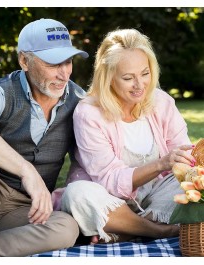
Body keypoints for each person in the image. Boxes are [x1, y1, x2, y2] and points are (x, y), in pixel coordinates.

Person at [0, 18, 88, 256]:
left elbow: (88, 163)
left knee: (66, 229)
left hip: (27, 211)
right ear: (24, 61)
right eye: (52, 63)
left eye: (68, 61)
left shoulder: (80, 101)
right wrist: (27, 170)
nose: (63, 73)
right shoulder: (0, 90)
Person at [58, 28, 196, 244]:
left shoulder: (161, 102)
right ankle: (158, 230)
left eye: (145, 73)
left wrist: (189, 164)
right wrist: (160, 164)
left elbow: (185, 158)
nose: (140, 85)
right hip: (107, 197)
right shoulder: (88, 113)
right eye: (128, 78)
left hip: (156, 196)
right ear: (109, 77)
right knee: (76, 194)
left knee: (193, 182)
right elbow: (109, 180)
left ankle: (126, 229)